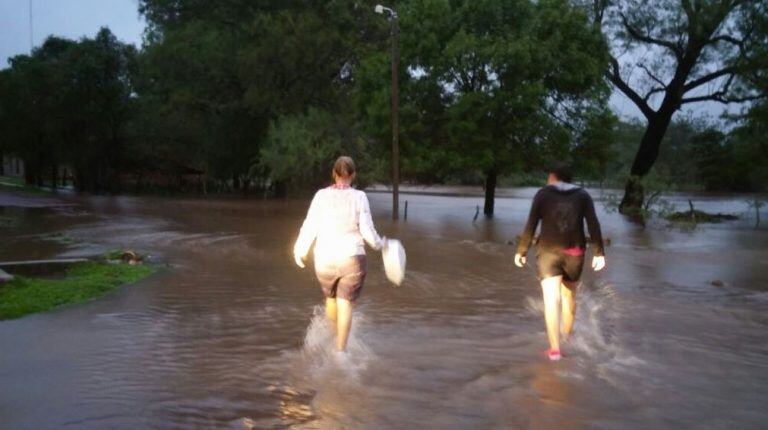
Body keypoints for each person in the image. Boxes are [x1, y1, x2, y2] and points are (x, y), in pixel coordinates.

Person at [514, 163, 606, 361]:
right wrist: (599, 253)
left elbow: (530, 224)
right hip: (575, 253)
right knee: (569, 296)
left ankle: (555, 350)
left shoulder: (542, 194)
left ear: (552, 176)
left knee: (551, 300)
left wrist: (521, 251)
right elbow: (593, 224)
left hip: (548, 252)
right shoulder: (583, 195)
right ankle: (568, 336)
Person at [293, 156, 384, 352]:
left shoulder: (320, 195)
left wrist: (300, 249)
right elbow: (368, 231)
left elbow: (310, 226)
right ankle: (340, 352)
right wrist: (381, 244)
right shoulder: (359, 196)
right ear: (353, 175)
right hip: (351, 258)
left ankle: (335, 335)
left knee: (331, 299)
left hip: (324, 259)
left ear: (333, 174)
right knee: (346, 304)